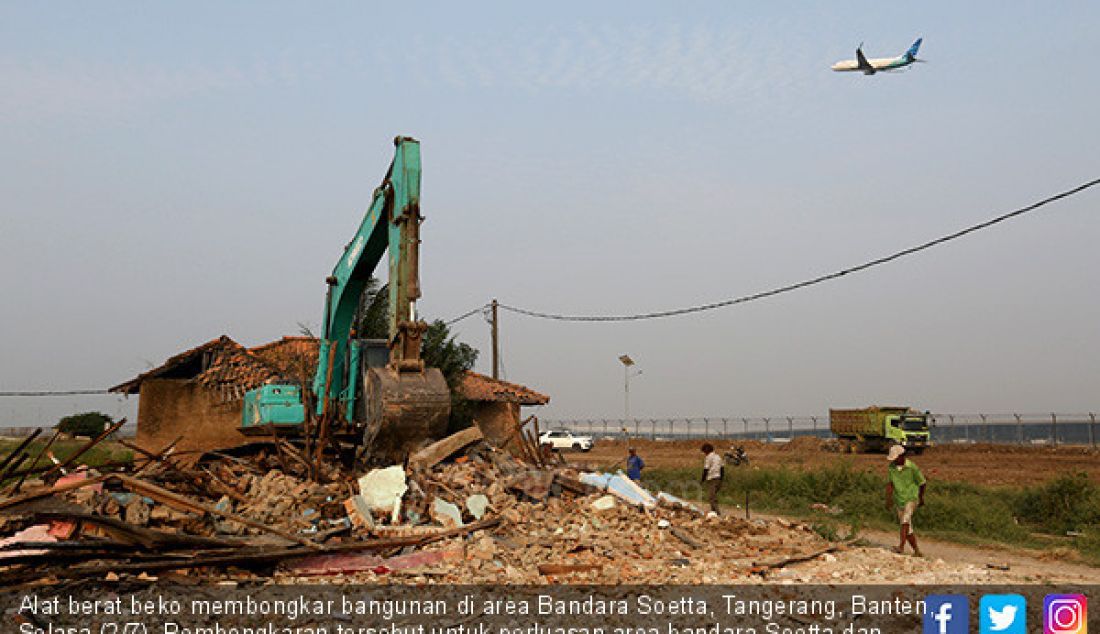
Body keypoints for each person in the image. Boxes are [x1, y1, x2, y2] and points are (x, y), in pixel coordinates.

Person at [884, 444, 926, 556]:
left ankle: (901, 546)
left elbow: (922, 483)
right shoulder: (891, 468)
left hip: (911, 498)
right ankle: (916, 550)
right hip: (899, 499)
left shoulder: (912, 467)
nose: (894, 461)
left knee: (905, 521)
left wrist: (921, 498)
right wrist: (888, 499)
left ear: (902, 456)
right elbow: (890, 484)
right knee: (907, 528)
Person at [700, 443, 723, 514]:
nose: (704, 453)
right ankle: (713, 512)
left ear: (707, 450)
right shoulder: (718, 457)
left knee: (712, 498)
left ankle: (717, 513)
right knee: (713, 496)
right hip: (718, 478)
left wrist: (702, 480)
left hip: (712, 479)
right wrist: (721, 479)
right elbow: (722, 469)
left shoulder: (708, 457)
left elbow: (706, 469)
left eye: (704, 451)